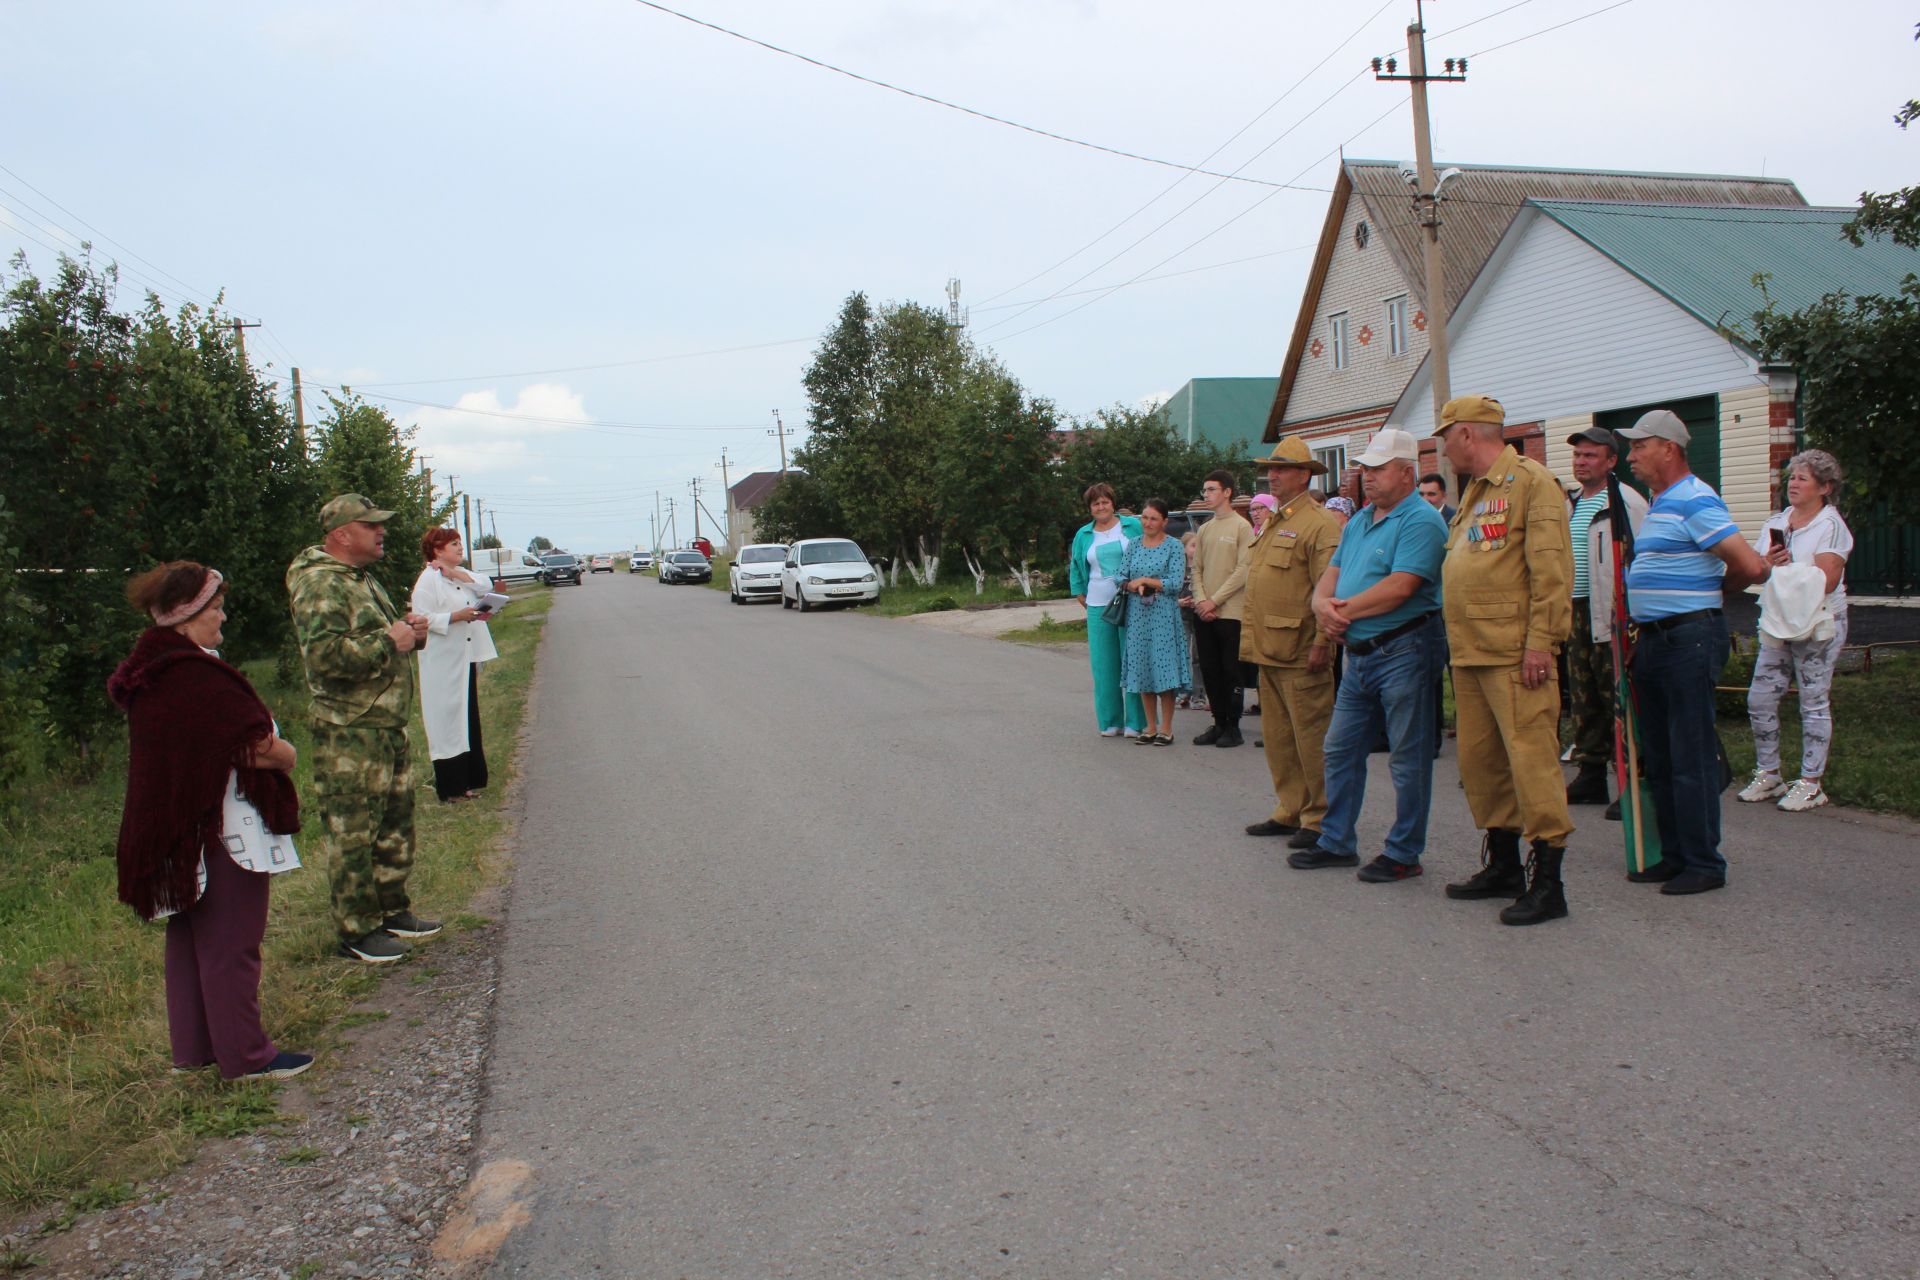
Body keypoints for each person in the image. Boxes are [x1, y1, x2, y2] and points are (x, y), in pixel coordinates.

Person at [109, 562, 312, 1080]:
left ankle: (197, 1049)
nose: (222, 616)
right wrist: (286, 754)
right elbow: (250, 746)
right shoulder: (191, 674)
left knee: (191, 937)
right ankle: (246, 1056)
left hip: (183, 826)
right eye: (215, 607)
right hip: (220, 826)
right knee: (231, 940)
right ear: (186, 615)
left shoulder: (155, 670)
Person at [1435, 396, 1577, 926]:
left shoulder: (1532, 482)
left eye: (1445, 437)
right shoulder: (1478, 490)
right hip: (1472, 649)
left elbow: (1551, 571)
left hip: (1516, 654)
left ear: (1468, 434)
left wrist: (1542, 641)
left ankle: (1549, 883)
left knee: (1531, 763)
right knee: (1482, 764)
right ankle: (1504, 865)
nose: (1443, 449)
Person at [1618, 410, 1771, 894]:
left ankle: (1705, 864)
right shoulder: (1661, 501)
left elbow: (1750, 565)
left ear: (1669, 448)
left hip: (1689, 639)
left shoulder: (1695, 498)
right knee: (1660, 754)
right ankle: (1676, 854)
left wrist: (1710, 594)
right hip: (1657, 639)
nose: (1631, 455)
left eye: (1639, 446)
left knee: (1690, 754)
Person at [288, 494, 442, 963]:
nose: (382, 532)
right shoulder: (319, 584)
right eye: (370, 525)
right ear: (341, 534)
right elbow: (324, 658)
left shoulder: (361, 579)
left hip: (383, 722)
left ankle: (391, 909)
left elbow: (382, 641)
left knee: (394, 824)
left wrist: (409, 634)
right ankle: (357, 930)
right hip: (349, 729)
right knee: (354, 831)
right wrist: (387, 640)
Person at [1291, 429, 1448, 882]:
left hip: (1405, 647)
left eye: (1378, 469)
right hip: (1359, 653)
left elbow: (1403, 586)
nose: (1368, 477)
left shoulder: (1420, 520)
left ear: (1406, 473)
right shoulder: (1361, 519)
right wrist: (1324, 607)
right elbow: (1332, 573)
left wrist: (1340, 614)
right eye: (1365, 469)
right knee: (1339, 749)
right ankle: (1336, 840)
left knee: (1407, 756)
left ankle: (1404, 851)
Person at [1238, 438, 1341, 850]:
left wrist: (1322, 643)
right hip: (1270, 647)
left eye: (1281, 469)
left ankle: (1318, 817)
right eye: (1270, 469)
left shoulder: (1320, 524)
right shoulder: (1276, 520)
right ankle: (1290, 808)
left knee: (1312, 739)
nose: (1273, 475)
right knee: (1280, 737)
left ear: (1304, 474)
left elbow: (1327, 589)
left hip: (1302, 650)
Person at [1740, 449, 1853, 813]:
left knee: (1813, 701)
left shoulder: (1831, 526)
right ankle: (1769, 773)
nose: (1794, 484)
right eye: (1792, 477)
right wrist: (1769, 564)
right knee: (1760, 698)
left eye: (1803, 478)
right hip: (1778, 621)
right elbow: (1757, 569)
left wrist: (1786, 571)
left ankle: (1810, 782)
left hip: (1818, 624)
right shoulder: (1778, 521)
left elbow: (1828, 580)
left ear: (1825, 487)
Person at [1562, 427, 1648, 807]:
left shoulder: (1625, 501)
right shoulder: (1573, 501)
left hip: (1610, 611)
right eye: (1578, 456)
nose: (1582, 462)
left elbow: (1638, 557)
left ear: (1611, 461)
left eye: (1590, 456)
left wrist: (1628, 612)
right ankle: (1591, 774)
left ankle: (1631, 783)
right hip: (1575, 608)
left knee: (1616, 695)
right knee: (1584, 697)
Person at [411, 528, 499, 803]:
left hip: (464, 657)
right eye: (453, 544)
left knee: (466, 719)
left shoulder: (457, 577)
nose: (460, 548)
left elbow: (485, 585)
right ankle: (450, 787)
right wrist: (457, 616)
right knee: (446, 721)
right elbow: (422, 618)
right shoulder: (428, 580)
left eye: (461, 543)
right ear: (436, 550)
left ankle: (468, 783)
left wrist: (456, 574)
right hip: (442, 661)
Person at [1068, 483, 1147, 738]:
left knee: (1132, 661)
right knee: (1104, 665)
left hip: (1132, 602)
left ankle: (1137, 721)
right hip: (1098, 605)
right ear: (1090, 508)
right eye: (1095, 503)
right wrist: (1082, 595)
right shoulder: (1084, 534)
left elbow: (1148, 553)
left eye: (1105, 502)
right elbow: (1076, 567)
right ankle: (1110, 721)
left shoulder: (1132, 526)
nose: (1101, 507)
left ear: (1113, 503)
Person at [1188, 470, 1255, 746]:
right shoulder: (1205, 529)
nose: (1207, 494)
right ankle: (1217, 722)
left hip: (1230, 613)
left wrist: (1214, 601)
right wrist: (1202, 601)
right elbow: (1197, 569)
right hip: (1205, 612)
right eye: (1205, 490)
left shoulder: (1242, 527)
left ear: (1227, 492)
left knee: (1231, 671)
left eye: (1212, 489)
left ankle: (1233, 727)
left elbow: (1243, 570)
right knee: (1210, 669)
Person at [1118, 499, 1191, 744]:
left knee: (1164, 669)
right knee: (1142, 668)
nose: (1148, 523)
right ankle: (1150, 726)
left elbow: (1175, 583)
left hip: (1163, 614)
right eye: (1145, 518)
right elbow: (1121, 575)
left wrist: (1147, 582)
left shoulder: (1173, 546)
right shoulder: (1133, 545)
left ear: (1164, 521)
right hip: (1137, 614)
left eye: (1153, 518)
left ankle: (1166, 728)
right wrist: (1132, 585)